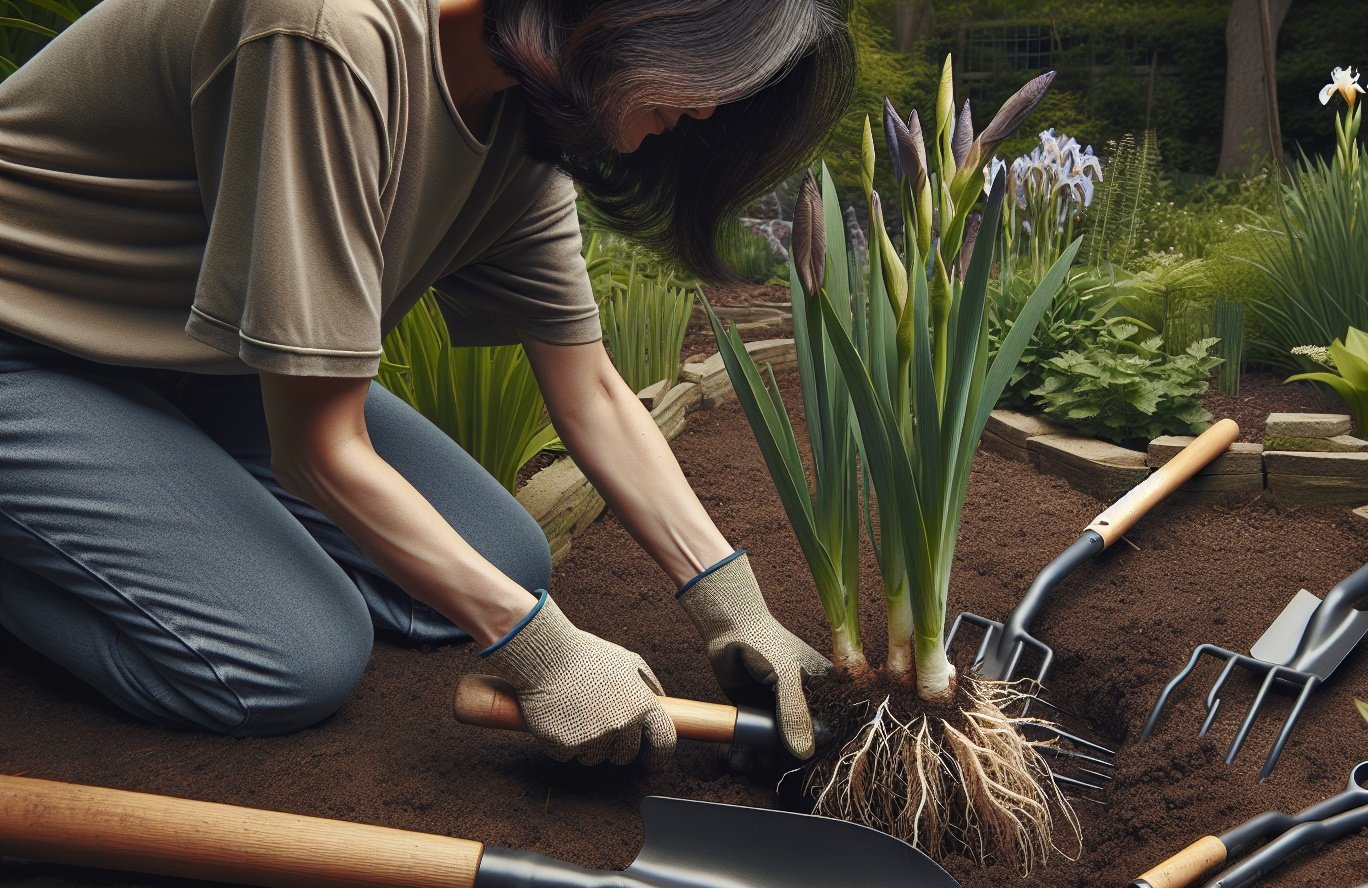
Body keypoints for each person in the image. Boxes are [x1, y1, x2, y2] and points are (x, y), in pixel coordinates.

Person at [0, 0, 855, 766]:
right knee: (289, 660)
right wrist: (544, 651)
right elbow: (318, 450)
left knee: (505, 559)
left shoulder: (524, 111)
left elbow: (589, 388)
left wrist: (734, 608)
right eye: (715, 60)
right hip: (28, 346)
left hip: (199, 362)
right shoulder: (325, 33)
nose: (711, 105)